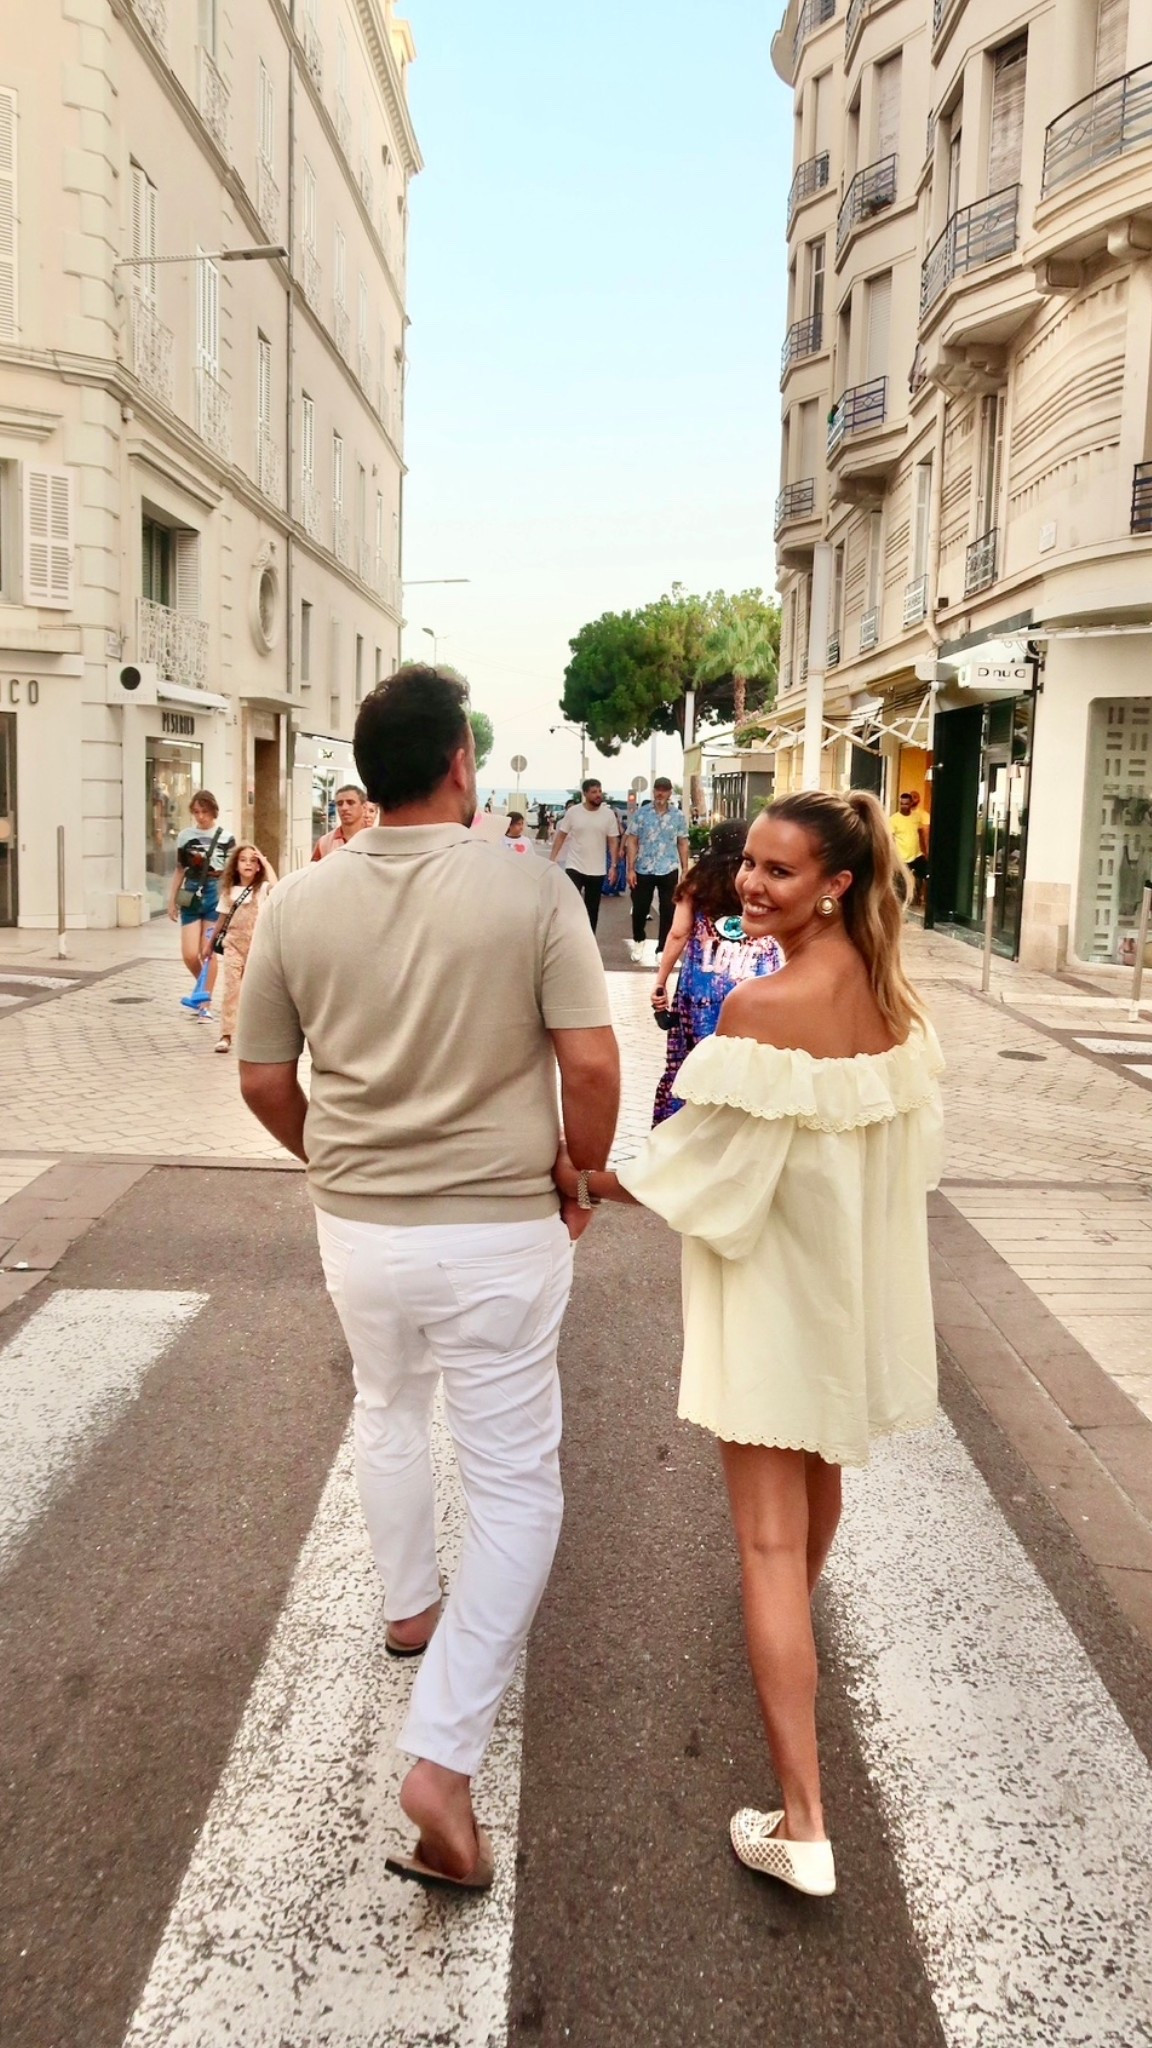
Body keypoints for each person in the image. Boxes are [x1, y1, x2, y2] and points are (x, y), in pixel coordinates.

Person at [236, 663, 620, 1893]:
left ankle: (411, 1607)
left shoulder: (295, 902)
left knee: (387, 1406)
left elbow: (260, 1078)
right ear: (461, 762)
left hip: (359, 1226)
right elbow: (594, 1058)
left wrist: (335, 1159)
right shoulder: (531, 886)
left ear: (366, 772)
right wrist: (584, 1167)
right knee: (516, 1484)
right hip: (500, 1227)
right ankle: (442, 1760)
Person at [553, 790, 942, 1899]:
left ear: (837, 883)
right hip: (844, 1290)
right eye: (751, 867)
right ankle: (788, 1651)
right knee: (812, 1496)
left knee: (765, 1549)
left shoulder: (763, 1009)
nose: (754, 886)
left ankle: (804, 1822)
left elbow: (693, 1173)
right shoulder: (895, 999)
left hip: (772, 1291)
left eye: (782, 871)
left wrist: (584, 1175)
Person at [650, 819, 784, 1122]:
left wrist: (660, 982)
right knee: (750, 1062)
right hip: (755, 977)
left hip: (703, 982)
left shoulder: (696, 881)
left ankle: (690, 1127)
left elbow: (678, 933)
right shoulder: (761, 881)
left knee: (694, 1061)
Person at [167, 790, 235, 1010]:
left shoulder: (226, 837)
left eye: (204, 811)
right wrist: (171, 900)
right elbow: (180, 869)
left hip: (215, 892)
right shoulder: (185, 836)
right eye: (196, 812)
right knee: (188, 954)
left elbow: (231, 872)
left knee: (207, 952)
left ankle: (204, 1001)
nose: (200, 816)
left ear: (213, 810)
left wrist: (230, 900)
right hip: (192, 892)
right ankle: (202, 988)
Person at [212, 842, 277, 1054]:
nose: (248, 864)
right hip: (233, 945)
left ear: (258, 866)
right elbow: (221, 920)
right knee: (231, 989)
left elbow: (277, 887)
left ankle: (256, 1031)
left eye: (253, 860)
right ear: (235, 865)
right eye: (243, 860)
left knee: (255, 990)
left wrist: (266, 862)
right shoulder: (229, 892)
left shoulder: (263, 890)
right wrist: (209, 944)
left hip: (256, 946)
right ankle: (226, 1034)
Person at [626, 777, 689, 963]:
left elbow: (682, 842)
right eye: (657, 789)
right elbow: (632, 840)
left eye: (664, 790)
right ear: (653, 791)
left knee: (668, 910)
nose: (660, 793)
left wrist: (685, 870)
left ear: (670, 793)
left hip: (668, 868)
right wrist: (630, 868)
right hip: (643, 868)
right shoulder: (642, 813)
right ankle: (639, 940)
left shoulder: (678, 816)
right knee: (639, 909)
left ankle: (662, 948)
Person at [550, 778, 621, 932]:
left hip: (597, 869)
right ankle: (569, 936)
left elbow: (613, 841)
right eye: (594, 792)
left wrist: (614, 866)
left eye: (600, 791)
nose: (598, 795)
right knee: (571, 903)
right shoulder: (573, 812)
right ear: (585, 793)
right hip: (574, 866)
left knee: (592, 908)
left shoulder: (608, 815)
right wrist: (552, 859)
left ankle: (589, 939)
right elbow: (561, 836)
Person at [889, 788, 930, 909]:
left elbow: (922, 834)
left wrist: (926, 850)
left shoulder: (917, 817)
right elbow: (891, 839)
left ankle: (920, 900)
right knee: (900, 882)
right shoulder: (894, 819)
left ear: (911, 803)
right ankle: (901, 905)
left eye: (906, 804)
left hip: (916, 854)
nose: (904, 806)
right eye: (902, 803)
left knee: (926, 875)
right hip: (902, 857)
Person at [312, 784, 374, 859]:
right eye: (340, 804)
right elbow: (315, 869)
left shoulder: (375, 839)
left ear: (364, 807)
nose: (344, 808)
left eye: (350, 802)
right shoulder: (324, 842)